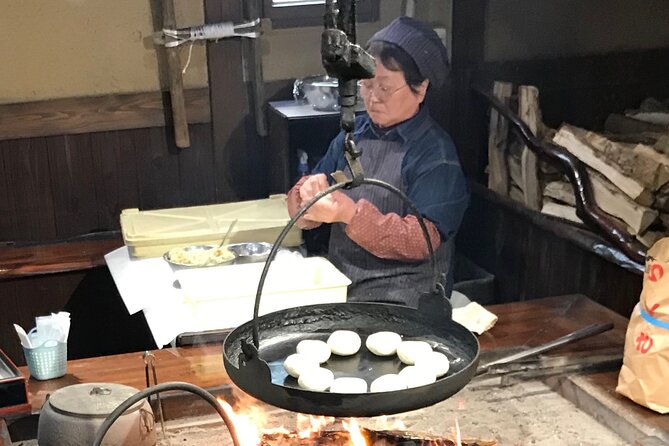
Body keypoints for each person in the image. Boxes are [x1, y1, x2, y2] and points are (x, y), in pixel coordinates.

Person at [287, 16, 469, 307]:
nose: (372, 99)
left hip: (407, 301)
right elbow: (304, 206)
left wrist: (350, 214)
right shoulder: (353, 135)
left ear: (420, 89)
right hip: (344, 289)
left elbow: (421, 240)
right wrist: (304, 198)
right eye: (366, 86)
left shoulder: (435, 154)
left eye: (384, 88)